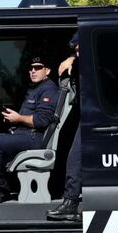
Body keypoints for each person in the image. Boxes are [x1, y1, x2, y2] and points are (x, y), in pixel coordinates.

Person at [0, 55, 60, 208]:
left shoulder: (49, 90)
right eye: (31, 68)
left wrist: (18, 118)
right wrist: (14, 119)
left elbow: (42, 121)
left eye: (38, 68)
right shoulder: (35, 89)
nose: (33, 71)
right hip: (23, 133)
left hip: (34, 137)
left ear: (48, 70)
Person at [48, 32, 81, 221]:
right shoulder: (78, 64)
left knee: (75, 159)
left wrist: (72, 59)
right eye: (75, 51)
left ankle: (71, 202)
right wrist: (72, 59)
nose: (78, 54)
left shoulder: (96, 62)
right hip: (87, 117)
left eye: (80, 49)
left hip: (95, 118)